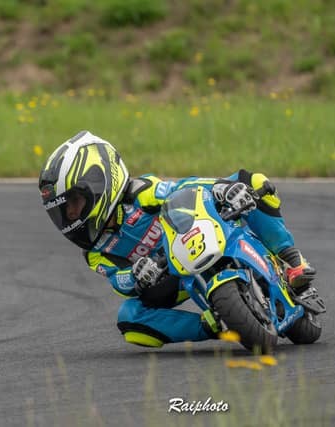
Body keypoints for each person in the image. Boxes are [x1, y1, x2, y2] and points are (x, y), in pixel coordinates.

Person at [39, 130, 316, 348]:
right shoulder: (94, 252)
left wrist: (222, 189)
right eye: (62, 212)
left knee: (251, 180)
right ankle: (213, 325)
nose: (70, 217)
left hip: (201, 234)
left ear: (99, 182)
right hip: (172, 277)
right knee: (129, 319)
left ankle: (291, 260)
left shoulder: (141, 192)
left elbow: (184, 187)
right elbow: (118, 282)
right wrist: (135, 275)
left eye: (74, 203)